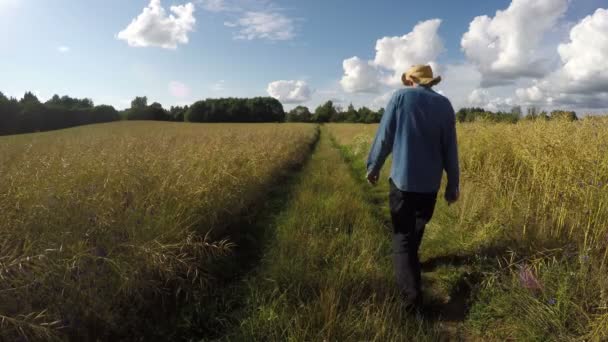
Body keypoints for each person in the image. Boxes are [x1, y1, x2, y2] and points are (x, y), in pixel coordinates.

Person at [366, 64, 460, 312]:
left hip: (403, 182)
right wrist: (453, 184)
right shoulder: (445, 105)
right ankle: (411, 269)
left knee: (402, 238)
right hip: (430, 185)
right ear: (430, 82)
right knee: (416, 228)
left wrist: (374, 166)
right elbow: (450, 147)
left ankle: (412, 301)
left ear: (411, 80)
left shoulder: (400, 96)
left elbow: (385, 135)